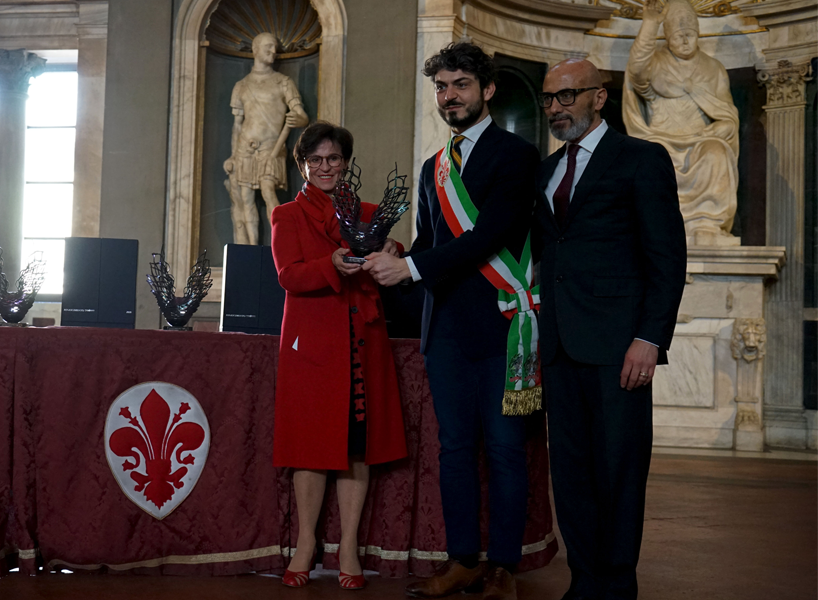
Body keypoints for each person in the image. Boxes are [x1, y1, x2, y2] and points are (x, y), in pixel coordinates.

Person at [363, 42, 540, 600]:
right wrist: (395, 255)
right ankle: (463, 559)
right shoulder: (433, 167)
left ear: (487, 90)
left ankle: (503, 567)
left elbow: (487, 237)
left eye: (460, 84)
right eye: (441, 87)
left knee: (508, 451)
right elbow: (431, 245)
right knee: (456, 451)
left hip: (501, 328)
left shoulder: (515, 155)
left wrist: (411, 266)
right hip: (446, 334)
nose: (449, 96)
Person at [534, 58, 687, 600]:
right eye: (550, 99)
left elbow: (666, 258)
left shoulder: (641, 160)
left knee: (619, 472)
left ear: (600, 98)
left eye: (568, 96)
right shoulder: (546, 170)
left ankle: (617, 586)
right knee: (571, 475)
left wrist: (650, 339)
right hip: (558, 346)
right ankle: (585, 582)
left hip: (620, 347)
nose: (556, 108)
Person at [271, 121, 408, 590]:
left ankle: (348, 545)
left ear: (346, 163)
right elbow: (289, 276)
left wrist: (393, 247)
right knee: (309, 448)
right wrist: (329, 264)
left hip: (362, 343)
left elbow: (396, 259)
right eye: (316, 160)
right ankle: (306, 544)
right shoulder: (286, 215)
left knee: (356, 447)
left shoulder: (370, 212)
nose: (325, 167)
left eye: (333, 159)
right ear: (303, 166)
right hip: (311, 346)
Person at [623, 0, 739, 244]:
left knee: (716, 153)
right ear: (667, 37)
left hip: (701, 141)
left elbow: (728, 116)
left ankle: (707, 223)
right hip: (660, 139)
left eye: (690, 35)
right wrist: (650, 24)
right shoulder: (655, 63)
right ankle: (655, 224)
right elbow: (637, 71)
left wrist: (719, 128)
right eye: (679, 36)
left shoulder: (714, 69)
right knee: (651, 158)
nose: (685, 41)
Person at [224, 32, 309, 245]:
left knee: (269, 192)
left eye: (274, 48)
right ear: (255, 50)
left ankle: (278, 248)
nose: (273, 51)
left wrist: (296, 118)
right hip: (245, 148)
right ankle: (250, 250)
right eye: (268, 47)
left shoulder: (283, 82)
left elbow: (301, 116)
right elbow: (237, 126)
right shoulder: (241, 86)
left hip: (272, 148)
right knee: (245, 200)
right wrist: (233, 156)